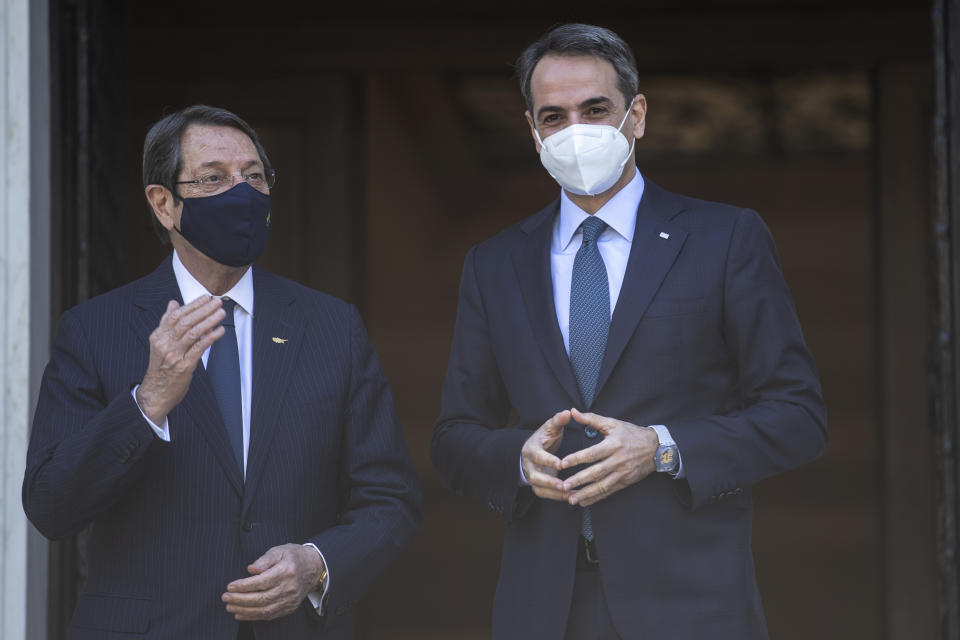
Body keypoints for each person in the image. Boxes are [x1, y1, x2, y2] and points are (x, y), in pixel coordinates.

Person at [431, 23, 827, 640]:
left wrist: (664, 448)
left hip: (693, 601)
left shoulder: (725, 239)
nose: (576, 131)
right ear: (533, 131)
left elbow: (798, 416)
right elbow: (454, 437)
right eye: (554, 116)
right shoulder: (494, 263)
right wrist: (519, 458)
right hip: (545, 605)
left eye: (596, 109)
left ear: (636, 115)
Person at [23, 105, 420, 639]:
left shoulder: (331, 327)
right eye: (214, 178)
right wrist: (148, 402)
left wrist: (316, 562)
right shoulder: (95, 330)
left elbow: (389, 498)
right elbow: (52, 506)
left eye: (254, 177)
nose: (244, 194)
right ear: (164, 204)